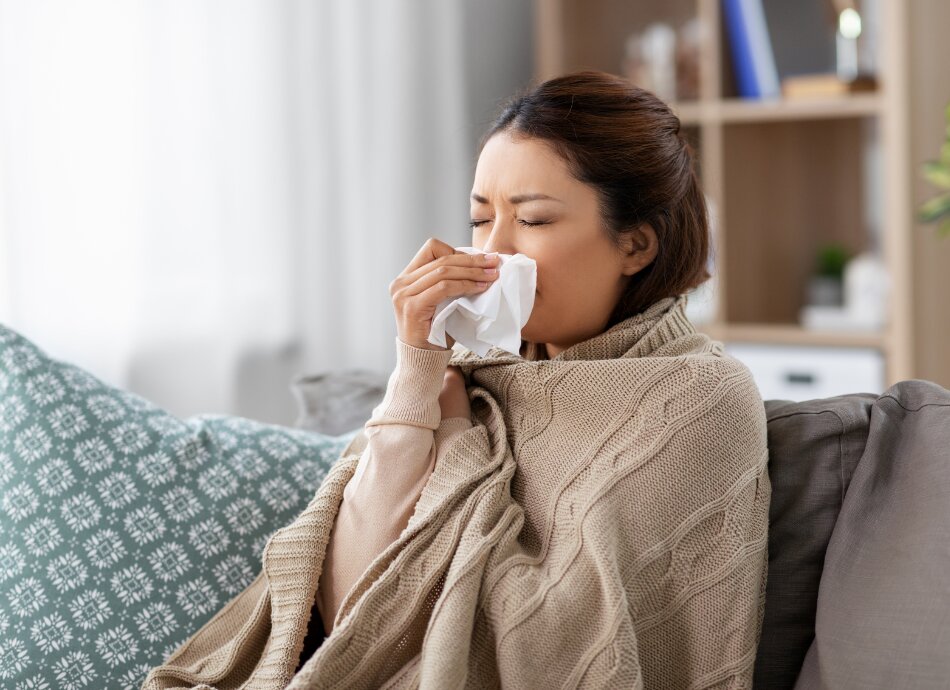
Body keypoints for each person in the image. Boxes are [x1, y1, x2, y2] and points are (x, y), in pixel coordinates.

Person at [143, 70, 770, 689]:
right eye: (479, 220)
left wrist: (460, 441)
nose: (490, 252)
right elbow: (346, 610)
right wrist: (415, 379)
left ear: (635, 245)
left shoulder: (698, 399)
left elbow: (560, 644)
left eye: (533, 221)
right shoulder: (464, 378)